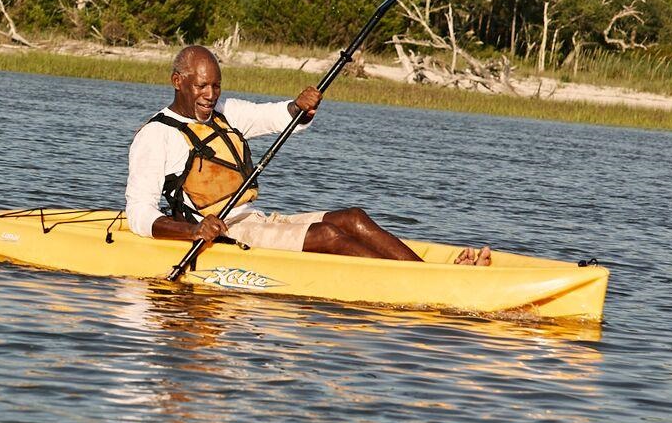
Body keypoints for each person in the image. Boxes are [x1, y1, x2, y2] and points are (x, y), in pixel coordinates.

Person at [124, 45, 468, 261]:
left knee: (353, 218)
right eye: (201, 86)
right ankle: (418, 284)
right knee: (328, 237)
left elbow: (275, 116)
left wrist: (298, 107)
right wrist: (192, 232)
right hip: (223, 234)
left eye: (216, 85)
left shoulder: (225, 111)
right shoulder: (156, 136)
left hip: (253, 220)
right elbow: (138, 213)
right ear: (177, 81)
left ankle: (426, 274)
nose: (210, 94)